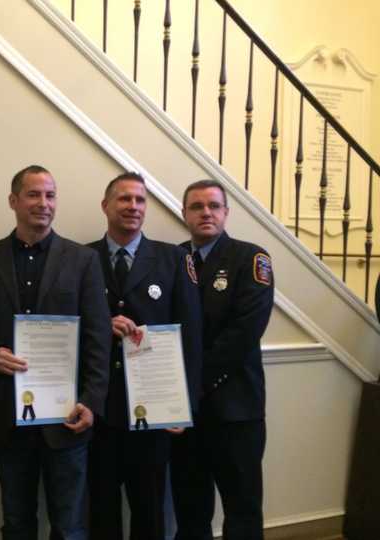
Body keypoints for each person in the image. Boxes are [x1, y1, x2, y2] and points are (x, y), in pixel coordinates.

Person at [0, 165, 111, 540]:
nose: (43, 203)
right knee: (16, 521)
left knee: (70, 525)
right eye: (33, 194)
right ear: (13, 201)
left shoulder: (83, 261)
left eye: (50, 195)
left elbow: (97, 336)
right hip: (9, 416)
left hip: (68, 415)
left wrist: (92, 401)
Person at [86, 172, 202, 540]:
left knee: (149, 508)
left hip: (152, 410)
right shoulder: (81, 257)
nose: (133, 207)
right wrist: (105, 323)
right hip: (100, 406)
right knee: (101, 507)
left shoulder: (173, 259)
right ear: (105, 205)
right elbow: (75, 327)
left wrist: (185, 405)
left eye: (140, 200)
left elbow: (191, 336)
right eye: (124, 199)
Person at [171, 179, 274, 540]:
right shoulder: (174, 257)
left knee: (242, 509)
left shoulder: (251, 258)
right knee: (190, 506)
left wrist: (193, 383)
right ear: (184, 213)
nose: (206, 213)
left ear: (226, 213)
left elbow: (244, 333)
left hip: (235, 410)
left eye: (214, 206)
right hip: (186, 413)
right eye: (196, 206)